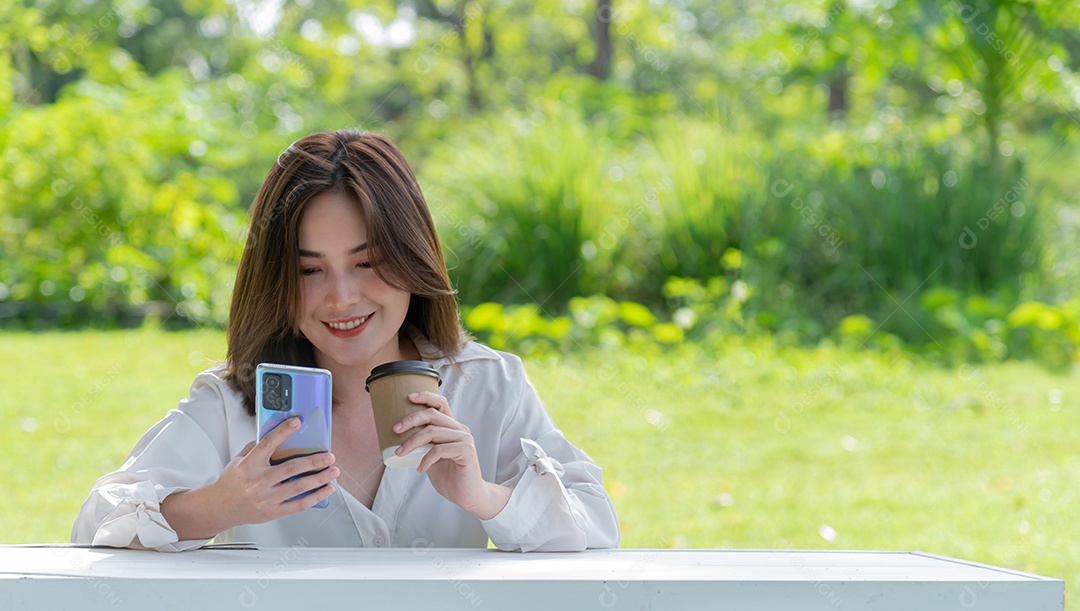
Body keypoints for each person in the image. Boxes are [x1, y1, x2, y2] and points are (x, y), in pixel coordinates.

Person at [71, 130, 619, 552]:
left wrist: (482, 496)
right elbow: (94, 528)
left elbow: (597, 528)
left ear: (413, 257)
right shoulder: (231, 403)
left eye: (368, 263)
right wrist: (215, 507)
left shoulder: (488, 385)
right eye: (309, 271)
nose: (341, 299)